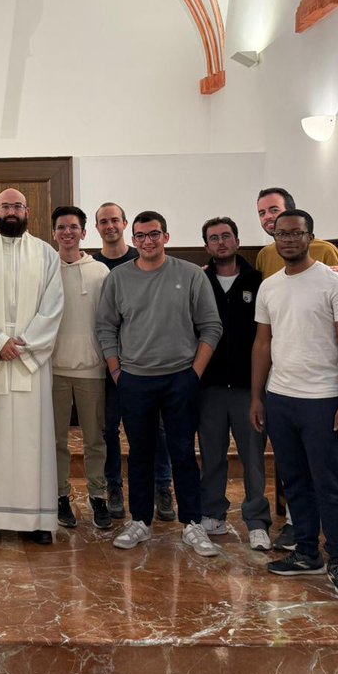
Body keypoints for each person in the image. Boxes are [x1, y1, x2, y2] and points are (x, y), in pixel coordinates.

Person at [95, 211, 223, 557]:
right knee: (140, 453)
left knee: (182, 451)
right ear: (133, 239)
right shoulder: (119, 278)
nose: (147, 241)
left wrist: (194, 374)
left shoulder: (190, 274)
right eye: (140, 236)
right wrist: (117, 372)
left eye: (154, 234)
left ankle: (192, 523)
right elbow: (106, 326)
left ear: (166, 237)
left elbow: (211, 326)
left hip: (181, 377)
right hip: (135, 380)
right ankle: (140, 521)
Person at [250, 209, 338, 598]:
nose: (288, 240)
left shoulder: (335, 283)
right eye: (281, 234)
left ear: (310, 237)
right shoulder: (269, 287)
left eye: (296, 233)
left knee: (329, 482)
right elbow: (262, 344)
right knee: (294, 480)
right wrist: (257, 396)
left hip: (324, 399)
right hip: (281, 398)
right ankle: (306, 552)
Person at [0, 188, 63, 545]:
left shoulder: (46, 253)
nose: (11, 211)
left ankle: (38, 520)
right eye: (5, 206)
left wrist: (25, 345)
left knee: (34, 442)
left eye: (17, 206)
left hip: (31, 363)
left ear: (27, 211)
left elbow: (53, 305)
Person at [91, 202, 175, 522]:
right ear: (96, 228)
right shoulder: (93, 265)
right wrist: (112, 365)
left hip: (146, 364)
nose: (110, 225)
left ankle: (162, 486)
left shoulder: (143, 257)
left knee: (158, 429)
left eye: (115, 220)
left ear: (125, 224)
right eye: (103, 221)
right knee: (109, 430)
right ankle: (114, 486)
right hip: (109, 365)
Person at [196, 216, 270, 550]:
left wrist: (259, 389)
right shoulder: (200, 281)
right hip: (209, 386)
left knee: (253, 457)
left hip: (247, 387)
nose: (221, 242)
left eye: (226, 236)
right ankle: (213, 513)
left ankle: (257, 521)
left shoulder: (259, 281)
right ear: (207, 246)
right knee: (212, 453)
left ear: (237, 241)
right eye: (214, 238)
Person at [49, 205, 111, 530]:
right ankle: (61, 495)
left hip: (91, 369)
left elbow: (110, 319)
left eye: (73, 227)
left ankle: (97, 496)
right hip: (54, 369)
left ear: (84, 232)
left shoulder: (100, 272)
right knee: (56, 440)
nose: (67, 232)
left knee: (94, 439)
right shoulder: (47, 270)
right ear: (54, 233)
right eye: (61, 227)